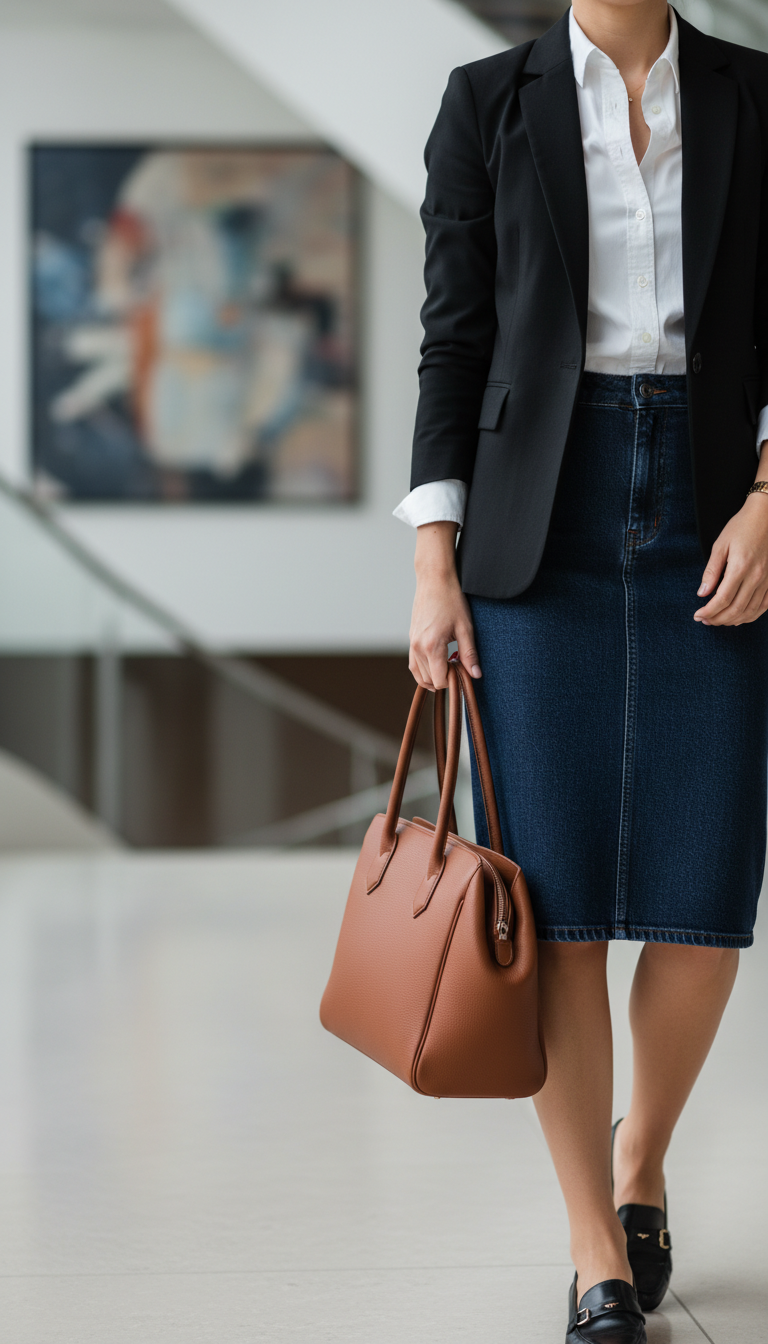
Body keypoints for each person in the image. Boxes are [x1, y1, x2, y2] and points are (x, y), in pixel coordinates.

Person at [395, 1, 768, 1340]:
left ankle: (641, 1152)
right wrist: (434, 562)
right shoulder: (486, 101)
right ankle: (593, 1244)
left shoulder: (751, 92)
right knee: (548, 900)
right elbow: (452, 339)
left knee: (703, 888)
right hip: (532, 526)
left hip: (714, 508)